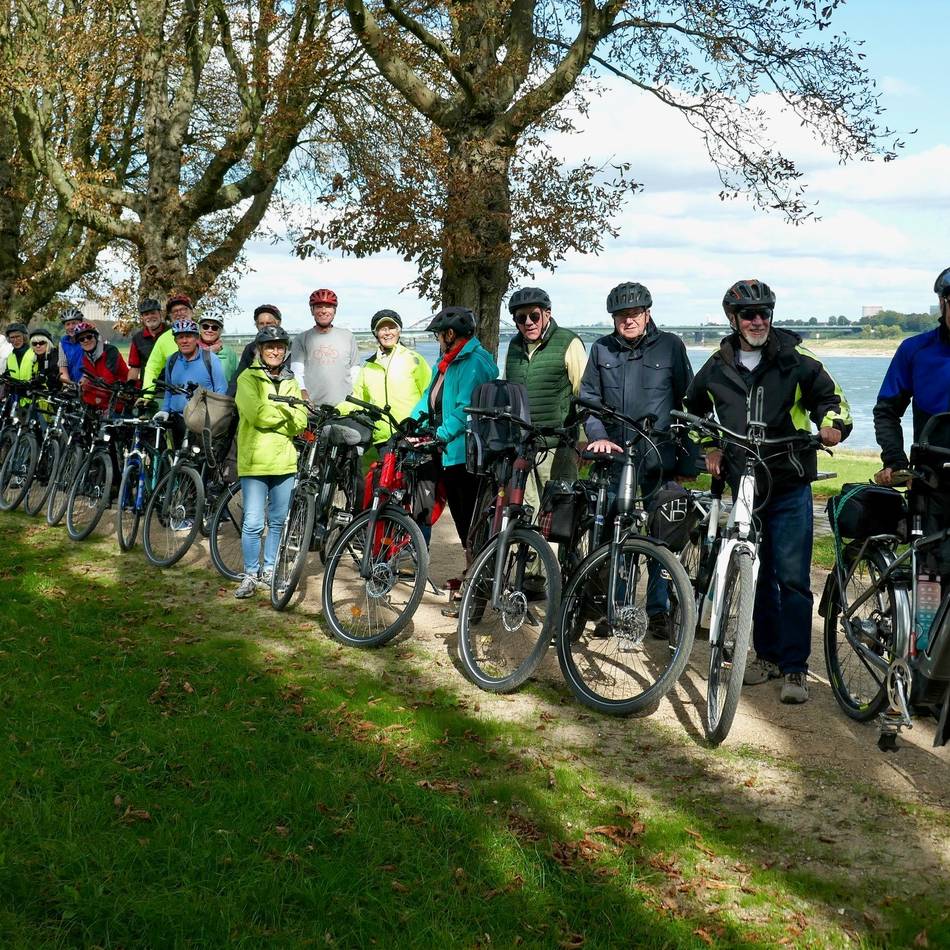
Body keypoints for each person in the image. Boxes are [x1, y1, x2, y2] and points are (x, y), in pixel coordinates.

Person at [685, 279, 852, 705]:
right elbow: (692, 409)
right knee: (754, 573)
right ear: (734, 320)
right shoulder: (717, 366)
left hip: (789, 481)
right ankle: (766, 656)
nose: (758, 321)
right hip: (745, 484)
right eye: (749, 315)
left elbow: (833, 399)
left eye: (764, 313)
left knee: (792, 578)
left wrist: (831, 425)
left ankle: (795, 667)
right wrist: (711, 446)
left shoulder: (797, 359)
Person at [578, 281, 696, 638]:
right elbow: (588, 401)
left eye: (634, 314)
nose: (627, 320)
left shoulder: (671, 346)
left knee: (661, 537)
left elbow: (688, 402)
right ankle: (617, 609)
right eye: (621, 316)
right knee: (617, 534)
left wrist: (688, 460)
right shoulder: (601, 349)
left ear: (647, 314)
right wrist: (597, 437)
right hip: (617, 459)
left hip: (660, 457)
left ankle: (658, 611)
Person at [873, 266, 950, 573]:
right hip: (932, 482)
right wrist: (894, 459)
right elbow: (887, 410)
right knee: (932, 573)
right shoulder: (916, 351)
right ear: (942, 303)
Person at [410, 306, 498, 552]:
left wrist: (441, 434)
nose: (437, 340)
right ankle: (469, 563)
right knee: (457, 517)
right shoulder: (445, 363)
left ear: (450, 334)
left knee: (469, 518)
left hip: (465, 452)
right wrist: (412, 423)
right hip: (446, 450)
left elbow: (465, 409)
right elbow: (429, 398)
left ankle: (479, 566)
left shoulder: (474, 363)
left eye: (438, 335)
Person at [233, 325, 308, 598]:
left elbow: (301, 421)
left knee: (278, 522)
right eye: (269, 347)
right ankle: (250, 574)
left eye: (279, 347)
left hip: (285, 461)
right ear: (260, 350)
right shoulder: (247, 378)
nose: (275, 351)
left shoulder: (290, 381)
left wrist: (280, 413)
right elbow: (257, 415)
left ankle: (269, 570)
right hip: (255, 461)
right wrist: (285, 413)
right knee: (253, 523)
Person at [504, 286, 586, 516]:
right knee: (527, 514)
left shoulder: (568, 342)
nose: (528, 322)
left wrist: (583, 438)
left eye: (534, 316)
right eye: (521, 318)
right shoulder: (514, 347)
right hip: (523, 447)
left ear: (547, 314)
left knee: (559, 515)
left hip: (557, 447)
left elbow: (583, 393)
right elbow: (508, 391)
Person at [346, 309, 430, 445]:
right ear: (375, 333)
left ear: (399, 331)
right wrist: (338, 410)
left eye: (392, 327)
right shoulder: (368, 366)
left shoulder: (414, 359)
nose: (387, 332)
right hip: (380, 439)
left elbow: (429, 395)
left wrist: (421, 425)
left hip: (411, 436)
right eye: (382, 329)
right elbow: (357, 398)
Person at [151, 319, 227, 444]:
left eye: (188, 336)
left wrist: (214, 417)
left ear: (197, 338)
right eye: (180, 337)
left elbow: (221, 389)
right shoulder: (171, 360)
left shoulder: (210, 359)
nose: (184, 341)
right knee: (176, 454)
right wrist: (165, 409)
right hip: (177, 420)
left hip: (202, 421)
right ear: (175, 341)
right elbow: (169, 389)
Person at [290, 288, 359, 405]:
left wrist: (353, 399)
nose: (323, 311)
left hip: (346, 406)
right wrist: (304, 397)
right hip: (313, 407)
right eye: (318, 307)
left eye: (328, 306)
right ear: (312, 310)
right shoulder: (301, 339)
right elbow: (297, 373)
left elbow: (355, 371)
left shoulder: (348, 336)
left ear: (335, 310)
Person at [141, 294, 199, 395]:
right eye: (175, 311)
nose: (179, 313)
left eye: (183, 309)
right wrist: (147, 395)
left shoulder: (205, 331)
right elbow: (152, 368)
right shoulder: (164, 339)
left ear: (192, 311)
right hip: (177, 394)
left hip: (203, 395)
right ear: (170, 316)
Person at [74, 321, 129, 411]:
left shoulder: (110, 351)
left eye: (89, 337)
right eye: (82, 339)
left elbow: (107, 380)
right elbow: (88, 378)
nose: (86, 340)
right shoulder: (86, 357)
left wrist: (88, 388)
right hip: (104, 399)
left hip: (121, 398)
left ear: (95, 337)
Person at [229, 304, 283, 394]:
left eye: (269, 323)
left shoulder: (289, 348)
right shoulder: (250, 349)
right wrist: (228, 398)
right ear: (257, 325)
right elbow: (238, 377)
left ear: (278, 323)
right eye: (261, 323)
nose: (265, 327)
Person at [127, 299, 169, 385]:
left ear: (160, 314)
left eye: (153, 313)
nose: (150, 317)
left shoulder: (172, 333)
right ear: (142, 317)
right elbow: (134, 367)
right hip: (148, 385)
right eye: (146, 314)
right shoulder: (137, 338)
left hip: (171, 385)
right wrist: (129, 386)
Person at [197, 313, 239, 384]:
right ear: (200, 328)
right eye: (205, 326)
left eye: (214, 328)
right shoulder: (191, 350)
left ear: (220, 331)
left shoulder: (230, 353)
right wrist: (208, 353)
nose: (209, 330)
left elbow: (238, 378)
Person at [57, 307, 86, 384]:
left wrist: (83, 382)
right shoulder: (62, 343)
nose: (71, 327)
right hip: (73, 384)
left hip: (90, 383)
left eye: (74, 323)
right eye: (68, 324)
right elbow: (63, 366)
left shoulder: (88, 339)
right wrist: (68, 384)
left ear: (81, 323)